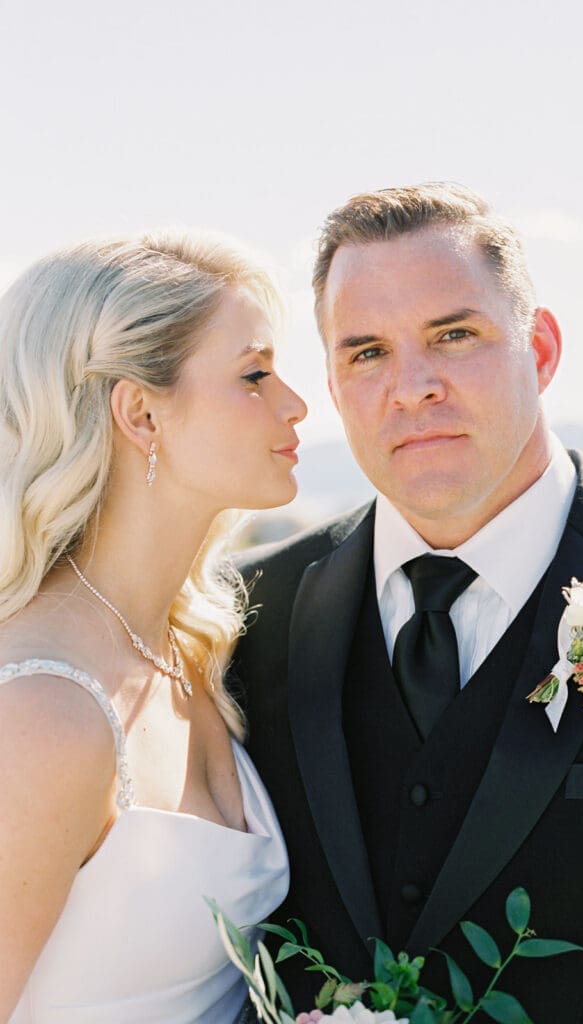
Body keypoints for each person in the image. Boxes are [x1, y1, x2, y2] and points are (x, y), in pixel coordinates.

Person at [233, 183, 583, 1023]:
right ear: (333, 384)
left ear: (542, 347)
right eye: (366, 351)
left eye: (454, 335)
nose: (411, 387)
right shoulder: (244, 614)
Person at [0, 230, 306, 1024]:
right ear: (140, 412)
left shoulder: (191, 645)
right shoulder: (42, 714)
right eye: (254, 375)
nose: (295, 404)